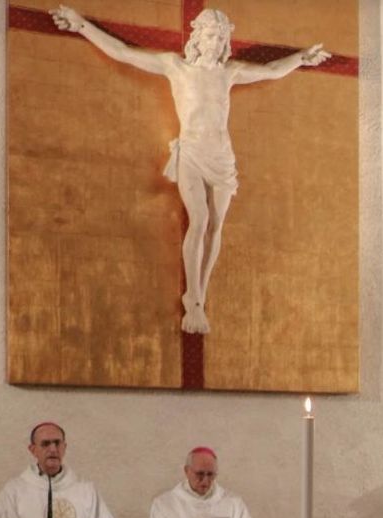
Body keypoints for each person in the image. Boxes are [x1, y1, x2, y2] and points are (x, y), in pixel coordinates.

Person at [50, 6, 329, 334]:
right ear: (198, 37)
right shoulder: (176, 67)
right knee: (200, 219)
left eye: (221, 38)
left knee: (216, 225)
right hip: (193, 153)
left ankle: (200, 294)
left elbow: (271, 70)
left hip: (221, 156)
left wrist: (301, 58)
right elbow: (123, 52)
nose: (216, 43)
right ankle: (193, 298)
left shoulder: (229, 72)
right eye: (211, 35)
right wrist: (82, 26)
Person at [0, 421, 115, 518]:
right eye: (45, 444)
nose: (53, 449)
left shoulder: (87, 491)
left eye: (57, 443)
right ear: (33, 450)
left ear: (64, 447)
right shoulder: (13, 492)